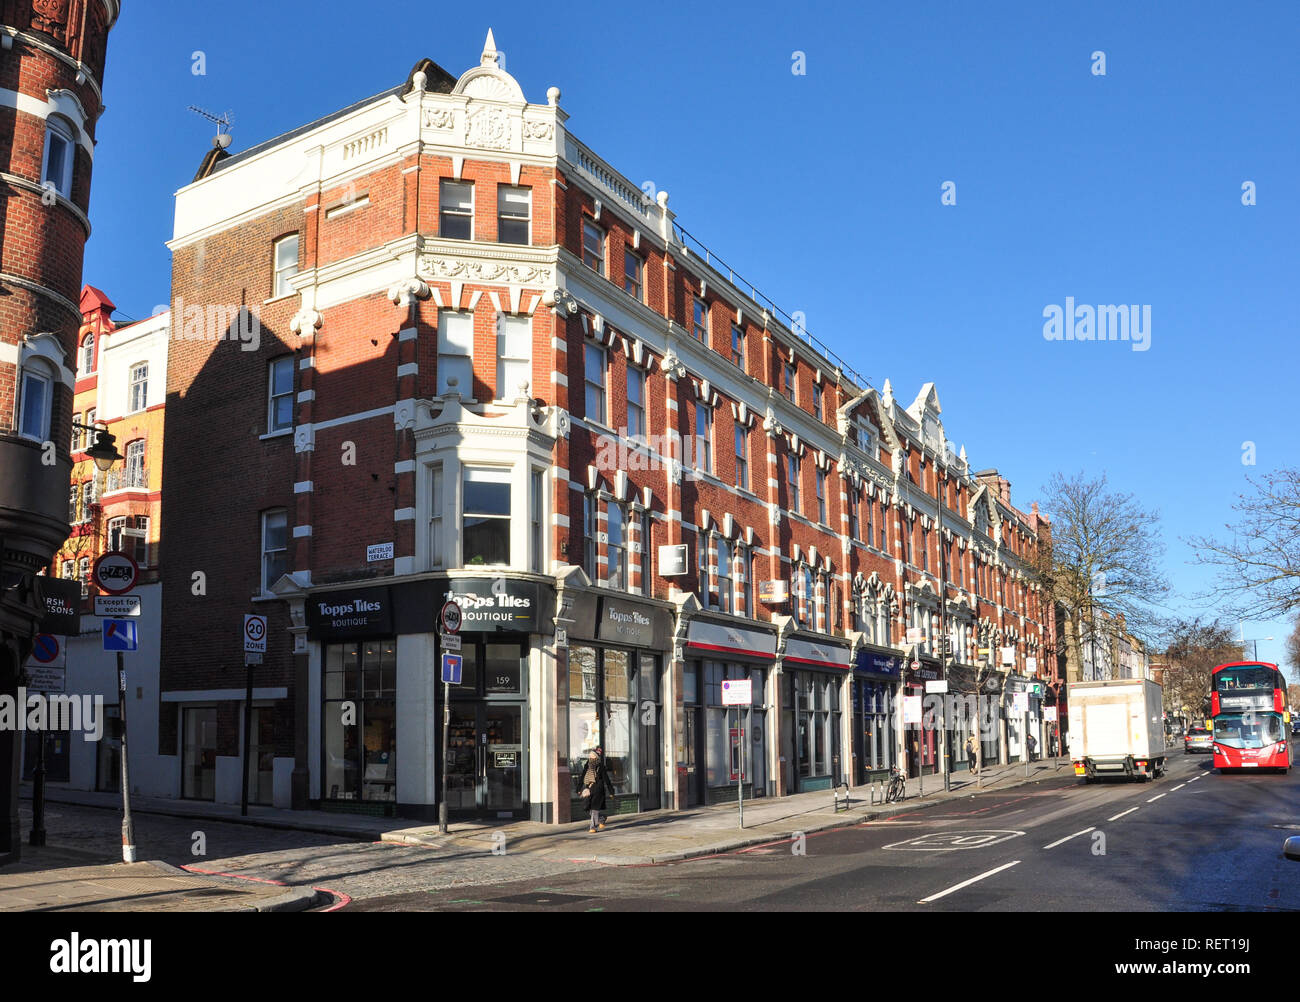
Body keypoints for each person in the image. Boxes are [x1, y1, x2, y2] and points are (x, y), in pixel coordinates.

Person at [579, 746, 616, 832]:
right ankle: (601, 818)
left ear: (596, 757)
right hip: (589, 789)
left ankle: (592, 827)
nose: (590, 757)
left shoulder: (600, 767)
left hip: (598, 791)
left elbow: (607, 780)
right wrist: (579, 787)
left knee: (594, 809)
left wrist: (611, 792)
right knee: (589, 809)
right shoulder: (587, 766)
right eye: (590, 756)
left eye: (592, 756)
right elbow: (583, 777)